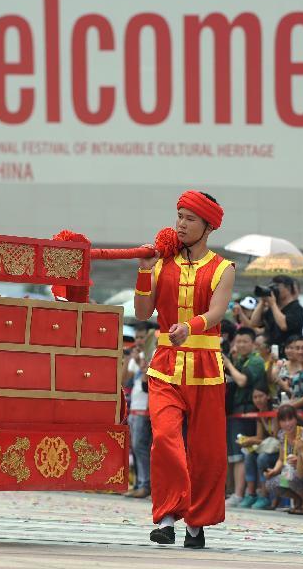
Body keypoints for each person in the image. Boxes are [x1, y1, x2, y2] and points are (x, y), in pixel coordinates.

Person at [134, 190, 235, 549]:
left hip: (207, 367)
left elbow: (217, 314)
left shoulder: (223, 269)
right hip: (164, 367)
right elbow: (144, 312)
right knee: (164, 438)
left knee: (207, 451)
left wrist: (188, 328)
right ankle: (166, 517)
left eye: (190, 218)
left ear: (209, 226)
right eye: (179, 215)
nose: (180, 223)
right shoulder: (160, 263)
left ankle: (196, 524)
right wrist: (145, 273)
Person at [223, 327, 268, 507]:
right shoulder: (240, 360)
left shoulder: (255, 361)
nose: (241, 345)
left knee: (242, 453)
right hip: (235, 411)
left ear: (253, 344)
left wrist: (229, 363)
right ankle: (236, 492)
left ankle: (240, 494)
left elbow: (242, 381)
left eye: (245, 342)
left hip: (248, 412)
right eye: (238, 341)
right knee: (235, 455)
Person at [264, 404, 303, 514]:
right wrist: (274, 470)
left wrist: (299, 460)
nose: (287, 424)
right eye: (283, 420)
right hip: (289, 472)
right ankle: (298, 499)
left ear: (296, 419)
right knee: (270, 484)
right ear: (279, 422)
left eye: (290, 419)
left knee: (290, 477)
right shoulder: (282, 435)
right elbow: (281, 459)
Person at [237, 386, 277, 510]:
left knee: (262, 458)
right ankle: (251, 494)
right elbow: (260, 437)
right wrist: (248, 440)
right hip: (267, 446)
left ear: (268, 396)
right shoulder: (259, 414)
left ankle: (264, 495)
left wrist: (251, 440)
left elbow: (275, 436)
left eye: (261, 396)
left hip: (277, 450)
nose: (258, 400)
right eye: (255, 397)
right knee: (249, 456)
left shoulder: (275, 412)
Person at [125, 324, 152, 499]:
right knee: (135, 448)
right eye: (137, 338)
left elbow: (148, 383)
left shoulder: (153, 355)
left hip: (146, 409)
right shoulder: (139, 356)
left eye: (142, 338)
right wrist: (130, 359)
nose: (139, 341)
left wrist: (143, 367)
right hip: (134, 408)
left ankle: (145, 484)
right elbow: (124, 380)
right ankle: (138, 484)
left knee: (141, 448)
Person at [248, 275, 303, 351]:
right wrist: (262, 301)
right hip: (271, 352)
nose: (274, 290)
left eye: (277, 286)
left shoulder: (296, 308)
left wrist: (272, 304)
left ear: (288, 288)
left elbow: (284, 325)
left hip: (290, 352)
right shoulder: (273, 308)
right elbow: (254, 323)